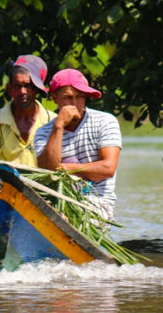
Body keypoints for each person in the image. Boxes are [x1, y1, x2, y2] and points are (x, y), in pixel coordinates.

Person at [34, 69, 122, 220]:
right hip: (57, 203)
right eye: (68, 98)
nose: (74, 104)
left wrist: (65, 168)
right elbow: (47, 171)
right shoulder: (43, 132)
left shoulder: (105, 122)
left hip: (98, 205)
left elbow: (108, 168)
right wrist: (59, 125)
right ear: (55, 98)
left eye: (80, 97)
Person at [0, 55, 57, 167]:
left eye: (28, 86)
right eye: (17, 86)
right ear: (9, 89)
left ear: (37, 89)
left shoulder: (52, 121)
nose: (23, 91)